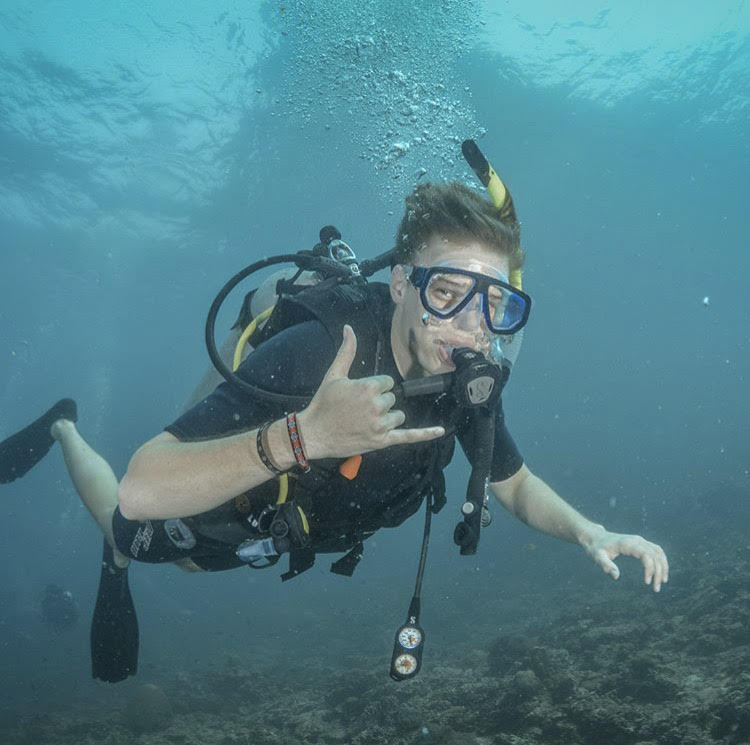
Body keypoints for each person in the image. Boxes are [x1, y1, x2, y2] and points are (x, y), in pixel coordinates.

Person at [0, 181, 668, 683]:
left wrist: (589, 530)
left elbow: (513, 482)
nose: (471, 326)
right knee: (126, 533)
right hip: (251, 485)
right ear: (403, 284)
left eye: (494, 304)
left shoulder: (468, 379)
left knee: (185, 561)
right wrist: (304, 436)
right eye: (447, 294)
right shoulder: (320, 348)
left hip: (290, 522)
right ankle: (64, 427)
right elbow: (145, 485)